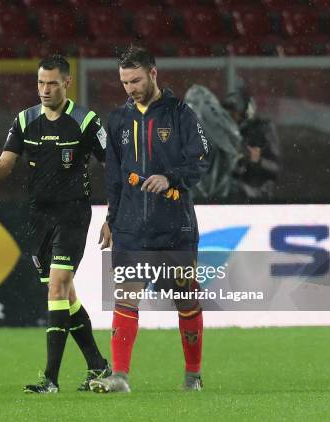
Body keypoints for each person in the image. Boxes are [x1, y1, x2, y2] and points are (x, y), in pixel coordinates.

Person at [0, 55, 110, 393]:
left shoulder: (86, 121)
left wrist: (112, 215)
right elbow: (4, 165)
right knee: (65, 294)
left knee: (56, 287)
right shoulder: (25, 121)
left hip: (73, 213)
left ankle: (50, 379)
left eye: (52, 83)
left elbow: (111, 166)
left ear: (67, 83)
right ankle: (98, 366)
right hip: (39, 215)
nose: (45, 89)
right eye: (40, 82)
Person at [90, 46, 211, 393]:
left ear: (153, 74)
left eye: (136, 80)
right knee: (125, 295)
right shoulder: (117, 120)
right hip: (130, 227)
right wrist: (111, 218)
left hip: (176, 227)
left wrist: (171, 177)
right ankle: (120, 376)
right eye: (125, 82)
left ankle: (193, 374)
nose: (130, 87)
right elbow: (113, 176)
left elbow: (202, 158)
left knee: (185, 298)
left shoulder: (181, 114)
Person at [223, 88, 281, 202]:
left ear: (245, 112)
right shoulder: (222, 133)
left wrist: (257, 159)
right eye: (227, 114)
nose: (230, 118)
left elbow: (275, 167)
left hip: (255, 197)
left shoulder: (262, 131)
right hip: (225, 197)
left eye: (234, 113)